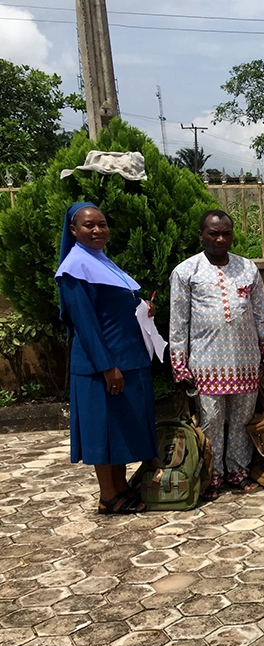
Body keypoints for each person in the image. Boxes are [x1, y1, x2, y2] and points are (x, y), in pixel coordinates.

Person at [55, 202, 157, 514]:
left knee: (122, 427)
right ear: (74, 231)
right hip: (102, 365)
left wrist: (144, 307)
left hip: (128, 358)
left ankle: (121, 487)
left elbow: (117, 302)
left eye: (102, 224)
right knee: (104, 430)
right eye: (89, 225)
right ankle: (108, 496)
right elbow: (85, 324)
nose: (98, 230)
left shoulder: (101, 261)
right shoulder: (74, 269)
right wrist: (107, 367)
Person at [169, 210, 264, 497]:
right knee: (211, 422)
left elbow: (261, 314)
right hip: (206, 365)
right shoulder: (185, 272)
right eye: (213, 233)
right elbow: (178, 323)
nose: (220, 238)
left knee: (242, 420)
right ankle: (210, 476)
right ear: (201, 235)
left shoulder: (248, 269)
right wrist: (179, 366)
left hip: (245, 362)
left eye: (225, 233)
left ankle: (238, 471)